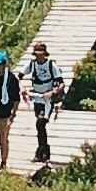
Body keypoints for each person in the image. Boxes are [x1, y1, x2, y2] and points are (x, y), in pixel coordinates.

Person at [21, 38, 66, 168]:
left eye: (41, 54)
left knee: (40, 122)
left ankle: (42, 150)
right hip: (36, 97)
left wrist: (53, 92)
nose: (39, 56)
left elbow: (62, 83)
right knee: (40, 125)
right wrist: (22, 88)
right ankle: (44, 150)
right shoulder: (32, 64)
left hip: (48, 98)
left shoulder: (52, 65)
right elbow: (18, 77)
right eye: (37, 54)